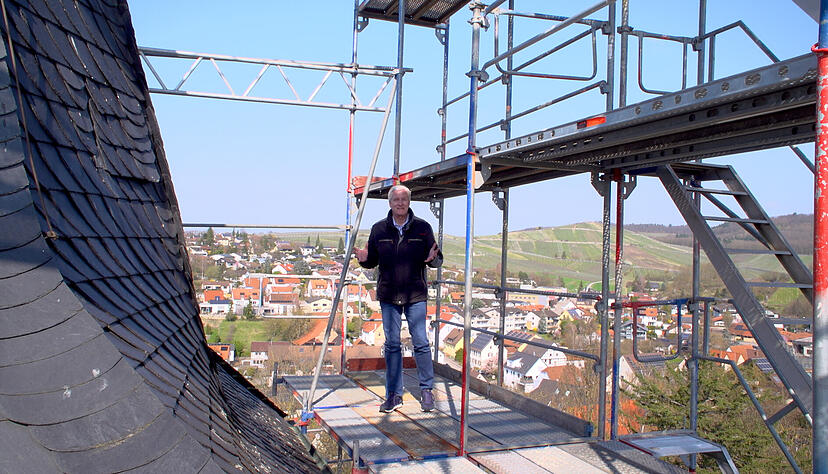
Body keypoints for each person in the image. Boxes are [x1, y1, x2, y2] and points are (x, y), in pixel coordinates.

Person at [355, 184, 442, 413]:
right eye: (396, 200)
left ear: (409, 202)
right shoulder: (379, 230)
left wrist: (433, 259)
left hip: (415, 294)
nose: (400, 203)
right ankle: (394, 394)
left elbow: (435, 258)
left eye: (404, 199)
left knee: (421, 343)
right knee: (392, 345)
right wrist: (363, 259)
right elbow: (371, 260)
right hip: (389, 294)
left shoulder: (423, 228)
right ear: (390, 203)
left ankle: (426, 390)